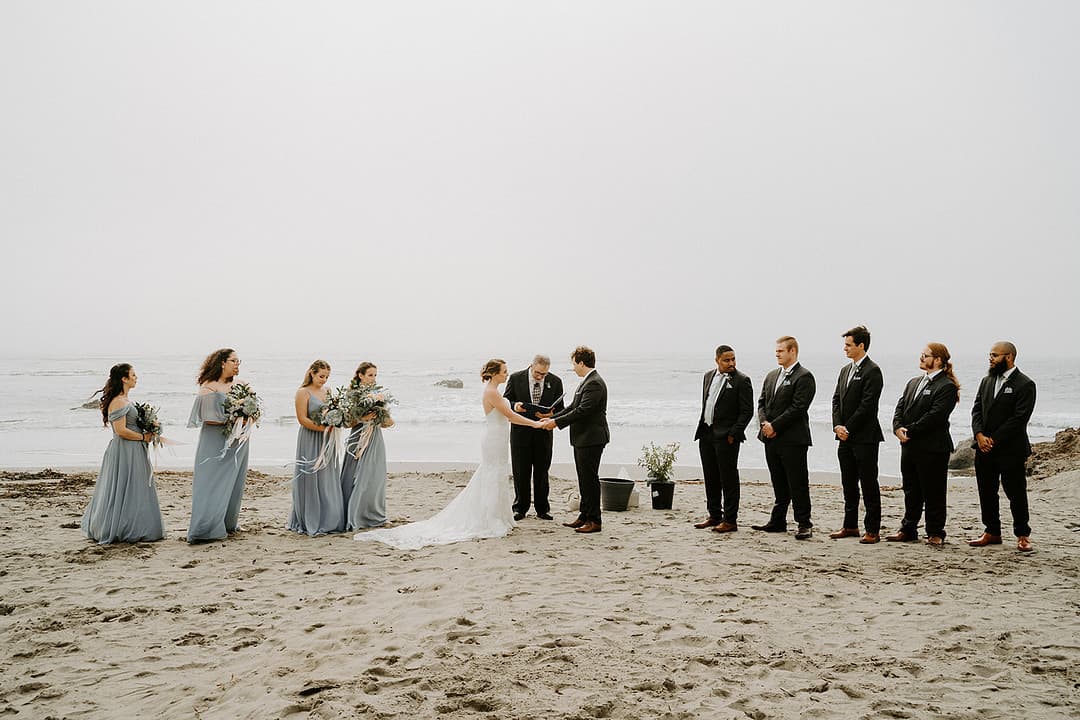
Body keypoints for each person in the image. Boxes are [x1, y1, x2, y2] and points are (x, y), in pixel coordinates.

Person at [354, 359, 546, 549]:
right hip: (494, 439)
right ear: (495, 373)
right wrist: (535, 423)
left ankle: (500, 516)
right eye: (504, 371)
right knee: (492, 475)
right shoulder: (491, 392)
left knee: (497, 475)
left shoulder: (495, 392)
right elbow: (510, 417)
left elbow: (508, 410)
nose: (506, 373)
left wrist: (517, 407)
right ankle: (490, 518)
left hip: (499, 437)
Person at [81, 363, 165, 544]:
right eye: (133, 375)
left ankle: (134, 524)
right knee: (123, 487)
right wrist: (144, 437)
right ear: (124, 379)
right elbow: (121, 431)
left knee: (135, 487)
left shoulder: (125, 399)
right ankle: (121, 527)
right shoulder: (118, 401)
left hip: (134, 448)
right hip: (125, 450)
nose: (136, 377)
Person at [886, 343, 960, 547]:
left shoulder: (947, 386)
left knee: (934, 491)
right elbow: (900, 407)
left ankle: (935, 532)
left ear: (938, 360)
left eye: (925, 355)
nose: (921, 358)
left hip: (933, 447)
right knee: (910, 489)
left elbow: (936, 416)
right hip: (909, 446)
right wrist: (897, 427)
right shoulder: (913, 382)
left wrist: (910, 431)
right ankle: (908, 529)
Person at [968, 342, 1037, 552]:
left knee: (1015, 492)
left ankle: (1022, 534)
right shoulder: (987, 381)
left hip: (1010, 449)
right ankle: (992, 531)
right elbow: (977, 410)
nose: (990, 358)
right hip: (984, 448)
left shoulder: (1025, 384)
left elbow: (1019, 418)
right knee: (986, 492)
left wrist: (993, 439)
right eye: (989, 354)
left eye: (995, 355)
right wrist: (979, 435)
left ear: (1009, 357)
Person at [752, 336, 816, 539]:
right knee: (778, 481)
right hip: (770, 438)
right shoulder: (772, 375)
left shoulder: (804, 376)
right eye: (776, 350)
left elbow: (798, 407)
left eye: (781, 350)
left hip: (793, 439)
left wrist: (775, 425)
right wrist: (764, 424)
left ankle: (804, 523)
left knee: (797, 482)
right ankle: (778, 520)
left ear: (793, 351)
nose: (777, 354)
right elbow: (761, 402)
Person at [541, 347, 610, 535]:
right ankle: (584, 515)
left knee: (590, 479)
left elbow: (583, 411)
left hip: (592, 438)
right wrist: (551, 417)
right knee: (583, 479)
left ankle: (595, 520)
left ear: (581, 362)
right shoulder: (586, 382)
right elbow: (573, 406)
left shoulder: (594, 383)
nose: (573, 368)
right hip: (582, 438)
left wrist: (555, 423)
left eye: (573, 363)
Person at [187, 348, 250, 543]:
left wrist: (248, 417)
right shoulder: (209, 386)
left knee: (234, 482)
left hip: (238, 441)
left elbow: (252, 410)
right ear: (222, 363)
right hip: (215, 440)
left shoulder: (242, 385)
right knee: (210, 482)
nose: (237, 364)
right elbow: (207, 417)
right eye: (233, 360)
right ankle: (206, 527)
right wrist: (233, 417)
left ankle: (227, 522)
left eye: (239, 361)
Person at [829, 326, 885, 544]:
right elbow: (836, 399)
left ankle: (872, 529)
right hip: (844, 437)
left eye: (848, 345)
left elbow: (868, 405)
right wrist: (837, 426)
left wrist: (848, 428)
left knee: (869, 483)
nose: (845, 349)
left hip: (865, 437)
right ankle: (850, 525)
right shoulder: (845, 370)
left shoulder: (873, 371)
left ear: (861, 346)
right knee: (848, 483)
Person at [692, 345, 753, 533]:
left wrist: (733, 433)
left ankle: (730, 520)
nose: (731, 363)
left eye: (733, 359)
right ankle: (714, 515)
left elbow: (747, 411)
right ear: (717, 360)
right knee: (710, 476)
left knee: (728, 478)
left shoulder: (742, 380)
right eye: (727, 360)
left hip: (727, 436)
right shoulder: (708, 376)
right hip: (707, 433)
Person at [504, 354, 565, 520]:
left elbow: (561, 409)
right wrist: (515, 405)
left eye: (544, 374)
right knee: (520, 471)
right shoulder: (516, 378)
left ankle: (542, 508)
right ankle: (520, 508)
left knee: (542, 472)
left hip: (544, 433)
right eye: (538, 373)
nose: (540, 377)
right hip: (520, 432)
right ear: (531, 366)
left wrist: (553, 414)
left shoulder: (556, 381)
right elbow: (505, 400)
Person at [287, 360, 345, 536]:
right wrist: (323, 429)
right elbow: (302, 419)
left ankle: (330, 518)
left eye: (327, 376)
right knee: (311, 474)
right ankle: (310, 518)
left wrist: (335, 424)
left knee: (328, 476)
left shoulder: (328, 391)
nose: (324, 380)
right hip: (311, 437)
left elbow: (335, 411)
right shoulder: (302, 392)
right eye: (321, 376)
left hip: (328, 438)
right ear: (312, 373)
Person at [344, 362, 394, 531]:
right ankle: (354, 515)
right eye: (370, 375)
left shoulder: (378, 394)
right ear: (360, 375)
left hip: (375, 437)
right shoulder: (352, 395)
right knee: (355, 476)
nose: (373, 378)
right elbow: (347, 422)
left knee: (375, 477)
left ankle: (374, 515)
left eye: (375, 375)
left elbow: (388, 422)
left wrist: (379, 416)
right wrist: (362, 418)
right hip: (357, 437)